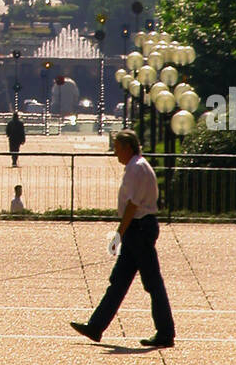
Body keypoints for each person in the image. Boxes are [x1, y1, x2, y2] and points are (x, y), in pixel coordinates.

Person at [70, 130, 175, 348]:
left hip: (139, 229)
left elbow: (132, 205)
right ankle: (96, 326)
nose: (116, 152)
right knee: (119, 281)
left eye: (117, 148)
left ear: (128, 147)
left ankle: (165, 332)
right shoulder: (137, 166)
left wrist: (119, 234)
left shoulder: (136, 168)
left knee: (152, 283)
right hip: (138, 229)